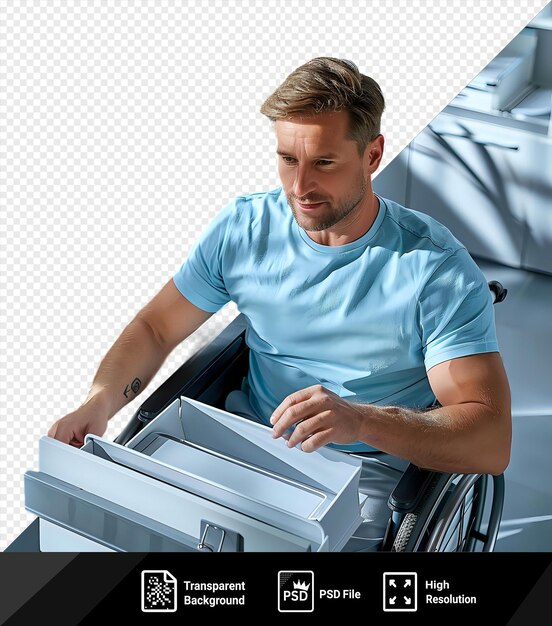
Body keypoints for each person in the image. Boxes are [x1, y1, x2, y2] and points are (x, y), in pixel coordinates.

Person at [48, 59, 511, 548]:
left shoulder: (434, 269)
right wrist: (99, 401)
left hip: (360, 469)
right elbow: (158, 327)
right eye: (288, 159)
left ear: (372, 155)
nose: (299, 186)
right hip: (235, 445)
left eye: (324, 163)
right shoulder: (245, 228)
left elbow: (491, 438)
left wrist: (360, 419)